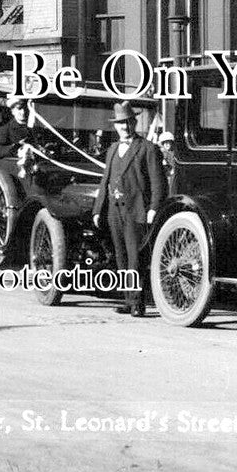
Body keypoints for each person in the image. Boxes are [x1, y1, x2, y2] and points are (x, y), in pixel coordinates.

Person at [91, 101, 167, 317]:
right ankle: (127, 298)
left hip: (137, 210)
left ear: (134, 122)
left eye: (127, 122)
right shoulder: (113, 149)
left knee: (136, 257)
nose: (124, 127)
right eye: (120, 123)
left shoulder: (148, 148)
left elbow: (158, 182)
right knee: (121, 256)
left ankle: (137, 303)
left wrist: (154, 208)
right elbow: (105, 180)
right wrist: (98, 210)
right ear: (115, 126)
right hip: (115, 211)